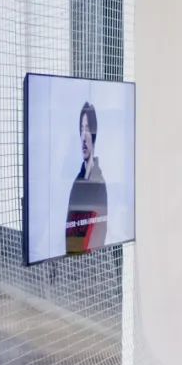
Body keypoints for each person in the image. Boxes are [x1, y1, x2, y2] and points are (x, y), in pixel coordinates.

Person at [66, 102, 108, 254]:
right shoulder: (77, 182)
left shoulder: (99, 183)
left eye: (88, 129)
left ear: (94, 135)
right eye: (81, 129)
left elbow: (98, 235)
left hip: (88, 259)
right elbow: (69, 234)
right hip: (73, 257)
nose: (84, 137)